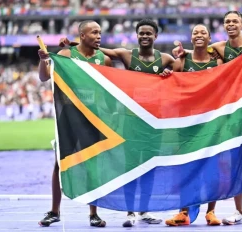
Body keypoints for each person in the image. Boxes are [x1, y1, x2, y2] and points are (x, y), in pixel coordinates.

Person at [173, 11, 242, 226]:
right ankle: (238, 211)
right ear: (224, 26)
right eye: (227, 22)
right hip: (234, 107)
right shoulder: (219, 48)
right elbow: (196, 49)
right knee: (235, 158)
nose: (231, 24)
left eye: (235, 21)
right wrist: (179, 52)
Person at [59, 18, 176, 228]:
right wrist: (74, 45)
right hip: (130, 119)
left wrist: (171, 72)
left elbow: (185, 74)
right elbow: (99, 49)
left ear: (156, 36)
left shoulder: (165, 59)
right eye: (141, 33)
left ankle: (144, 210)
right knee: (131, 166)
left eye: (149, 33)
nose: (145, 36)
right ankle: (130, 212)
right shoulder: (125, 55)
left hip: (154, 121)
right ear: (137, 35)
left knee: (150, 167)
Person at [37, 20, 112, 227]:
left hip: (94, 119)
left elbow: (109, 92)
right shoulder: (66, 56)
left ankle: (93, 214)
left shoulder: (104, 60)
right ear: (82, 35)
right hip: (69, 117)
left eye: (100, 32)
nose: (98, 36)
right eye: (94, 32)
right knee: (60, 164)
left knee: (94, 166)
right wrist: (43, 60)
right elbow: (44, 77)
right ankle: (54, 211)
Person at [164, 24, 223, 226]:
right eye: (195, 32)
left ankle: (211, 212)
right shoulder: (182, 60)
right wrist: (166, 75)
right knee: (185, 166)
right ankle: (183, 212)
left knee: (212, 166)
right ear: (191, 37)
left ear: (209, 38)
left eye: (203, 32)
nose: (199, 35)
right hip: (186, 121)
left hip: (210, 121)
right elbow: (171, 85)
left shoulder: (218, 62)